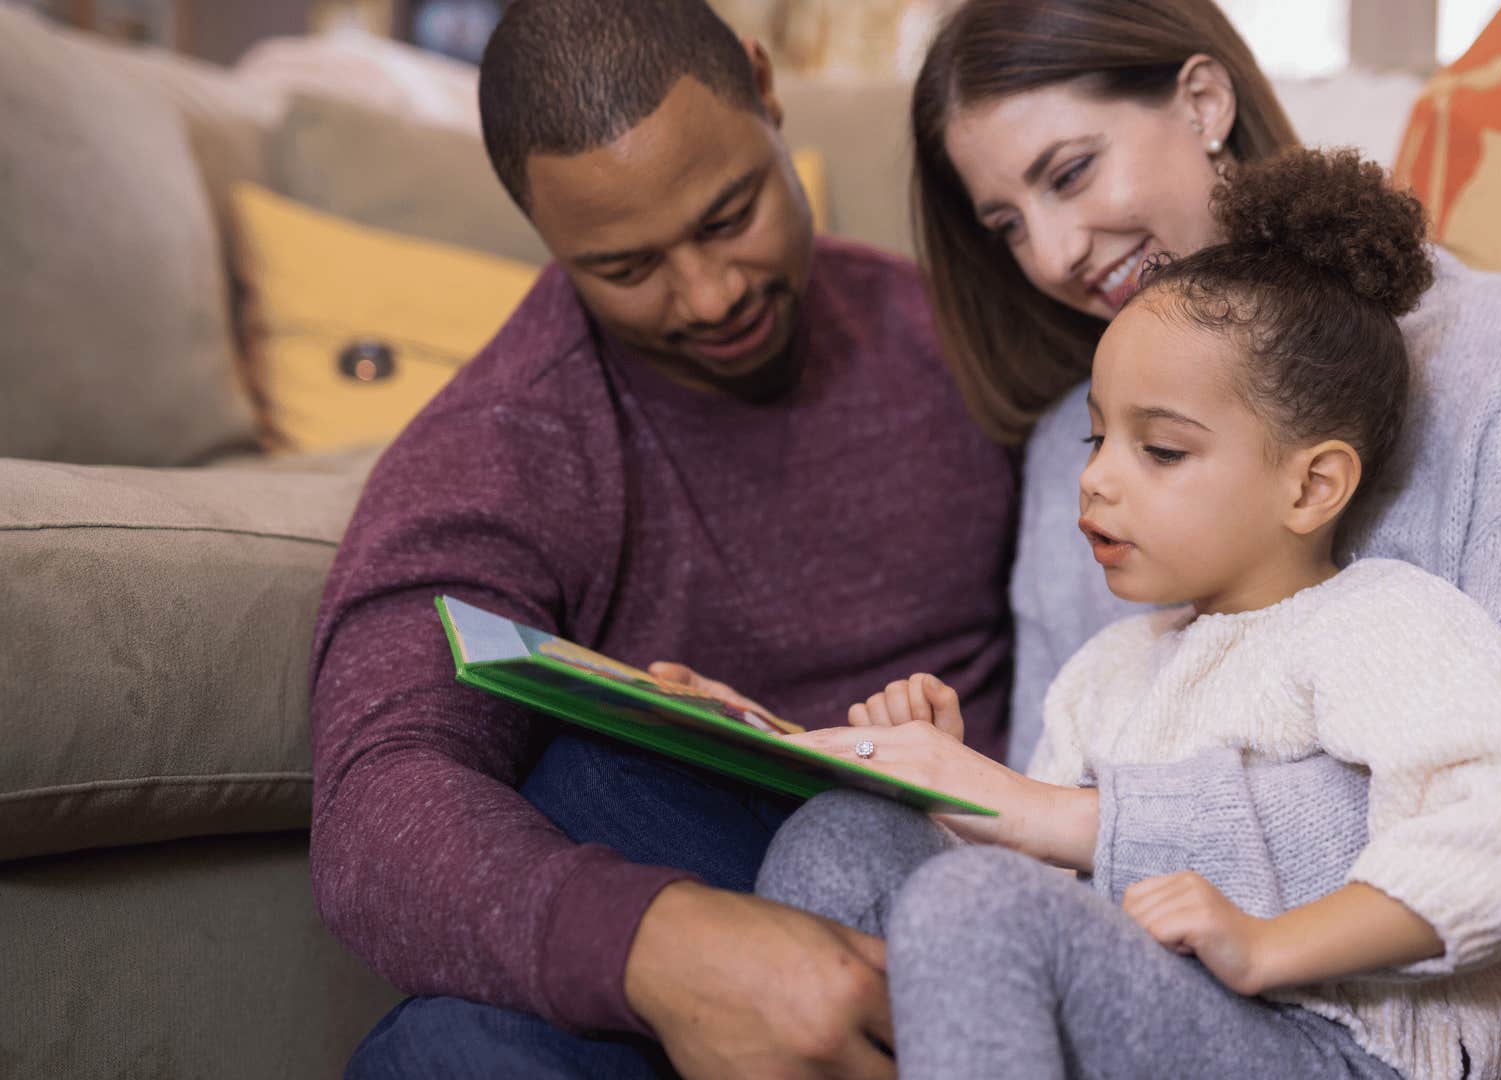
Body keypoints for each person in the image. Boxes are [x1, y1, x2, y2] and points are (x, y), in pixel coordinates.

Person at [766, 2, 1501, 1078]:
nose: (1057, 252)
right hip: (1168, 992)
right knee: (838, 846)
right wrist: (933, 774)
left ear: (1205, 101)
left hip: (1466, 1024)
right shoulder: (1081, 436)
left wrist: (1069, 820)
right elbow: (1062, 794)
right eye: (1007, 223)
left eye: (1071, 172)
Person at [759, 147, 1501, 1080]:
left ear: (1313, 485)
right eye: (1097, 436)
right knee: (840, 839)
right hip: (1165, 1022)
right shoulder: (1110, 671)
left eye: (1160, 450)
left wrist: (1271, 945)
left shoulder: (1380, 624)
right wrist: (954, 794)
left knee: (978, 907)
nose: (1095, 478)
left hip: (1334, 1043)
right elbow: (1048, 908)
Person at [306, 1, 1017, 1076]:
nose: (712, 294)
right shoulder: (508, 442)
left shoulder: (952, 332)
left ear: (766, 92)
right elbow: (378, 802)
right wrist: (663, 946)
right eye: (628, 269)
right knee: (457, 1043)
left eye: (730, 216)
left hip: (979, 877)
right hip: (696, 907)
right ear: (541, 232)